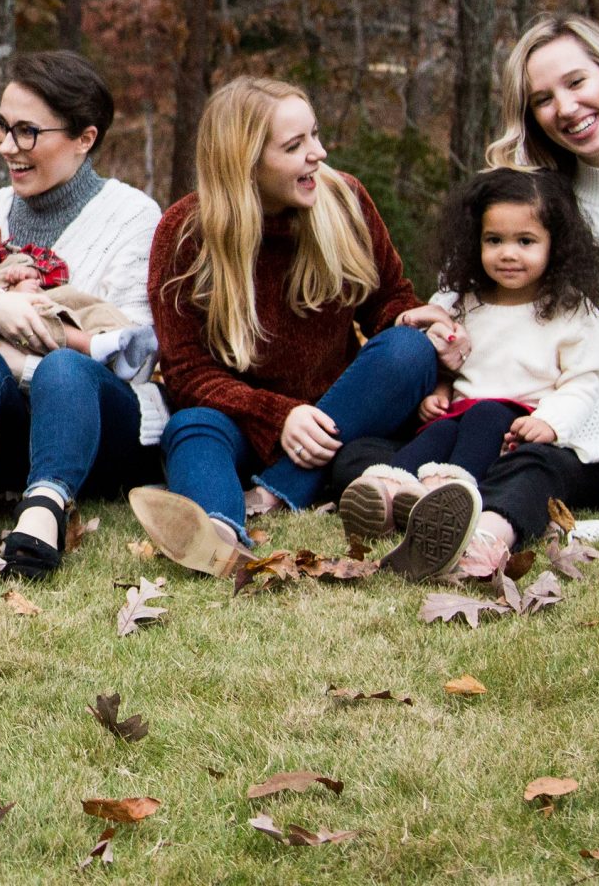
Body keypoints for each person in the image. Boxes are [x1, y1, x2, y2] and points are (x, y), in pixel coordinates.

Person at [327, 14, 599, 573]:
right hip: (473, 406)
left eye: (577, 82)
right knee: (363, 455)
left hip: (576, 419)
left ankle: (481, 537)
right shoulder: (526, 192)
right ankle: (402, 499)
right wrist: (441, 358)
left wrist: (555, 428)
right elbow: (460, 304)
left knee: (533, 470)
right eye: (542, 98)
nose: (564, 107)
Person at [127, 76, 448, 577]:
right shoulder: (186, 232)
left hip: (338, 420)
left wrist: (424, 323)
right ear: (245, 162)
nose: (318, 154)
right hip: (240, 420)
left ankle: (277, 490)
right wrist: (280, 415)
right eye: (296, 146)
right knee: (190, 426)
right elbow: (187, 372)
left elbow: (388, 304)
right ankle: (219, 534)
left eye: (315, 136)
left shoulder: (345, 201)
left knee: (409, 350)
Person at [0, 51, 162, 578]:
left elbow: (134, 354)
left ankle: (45, 511)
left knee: (67, 368)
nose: (6, 146)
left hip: (98, 432)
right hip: (4, 436)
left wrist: (29, 353)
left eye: (26, 132)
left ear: (84, 138)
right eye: (1, 126)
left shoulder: (132, 216)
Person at [333, 167, 599, 579]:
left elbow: (584, 380)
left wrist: (551, 422)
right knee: (391, 443)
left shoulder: (572, 312)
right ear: (474, 241)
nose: (508, 253)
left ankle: (444, 494)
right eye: (494, 240)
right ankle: (390, 491)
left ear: (557, 245)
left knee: (486, 417)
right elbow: (447, 361)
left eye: (526, 241)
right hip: (458, 422)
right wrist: (439, 391)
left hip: (518, 429)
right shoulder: (460, 301)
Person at [0, 195, 154, 386]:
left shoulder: (12, 254)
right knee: (34, 314)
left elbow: (58, 270)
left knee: (89, 306)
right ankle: (89, 345)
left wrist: (34, 275)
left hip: (59, 304)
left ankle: (121, 340)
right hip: (20, 334)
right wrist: (7, 299)